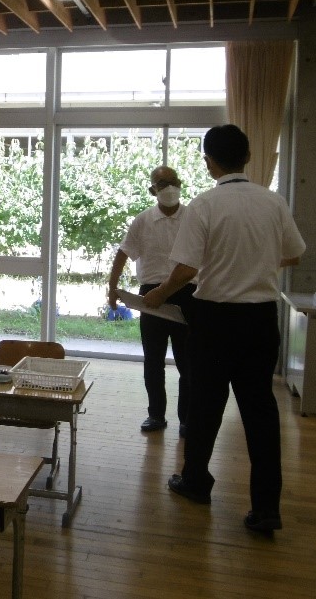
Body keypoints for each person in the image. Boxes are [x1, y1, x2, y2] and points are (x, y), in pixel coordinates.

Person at [143, 124, 305, 534]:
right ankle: (266, 508)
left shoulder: (204, 205)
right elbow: (294, 255)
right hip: (260, 319)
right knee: (261, 412)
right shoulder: (273, 203)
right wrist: (257, 262)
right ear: (248, 157)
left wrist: (160, 293)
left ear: (208, 161)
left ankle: (196, 481)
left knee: (205, 405)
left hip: (214, 319)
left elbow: (187, 269)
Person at [107, 165, 194, 436]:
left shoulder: (194, 217)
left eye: (173, 181)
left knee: (187, 362)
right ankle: (156, 414)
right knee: (153, 360)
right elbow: (123, 253)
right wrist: (112, 287)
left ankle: (187, 419)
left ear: (180, 183)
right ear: (152, 190)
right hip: (151, 295)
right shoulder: (143, 221)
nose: (169, 187)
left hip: (187, 294)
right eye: (161, 183)